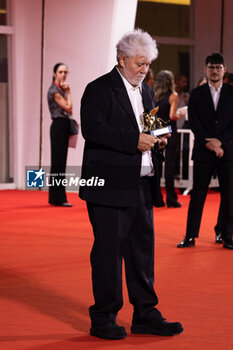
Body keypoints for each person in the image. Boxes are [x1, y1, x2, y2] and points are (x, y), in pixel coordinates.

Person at [79, 29, 183, 340]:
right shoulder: (98, 89)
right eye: (139, 63)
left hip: (141, 185)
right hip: (109, 187)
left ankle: (146, 314)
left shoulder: (147, 92)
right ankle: (104, 318)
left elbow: (152, 125)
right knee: (109, 255)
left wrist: (159, 138)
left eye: (148, 64)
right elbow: (92, 130)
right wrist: (133, 141)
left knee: (142, 254)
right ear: (122, 59)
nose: (144, 69)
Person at [177, 53, 233, 250]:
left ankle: (226, 235)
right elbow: (194, 121)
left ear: (224, 70)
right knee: (198, 195)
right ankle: (190, 236)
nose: (215, 71)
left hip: (227, 152)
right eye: (211, 67)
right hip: (203, 151)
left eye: (218, 67)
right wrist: (208, 142)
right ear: (206, 70)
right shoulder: (196, 93)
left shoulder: (232, 93)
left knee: (229, 195)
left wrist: (220, 142)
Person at [154, 70, 183, 208]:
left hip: (157, 132)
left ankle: (157, 198)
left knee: (157, 165)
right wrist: (181, 113)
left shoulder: (153, 95)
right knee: (170, 166)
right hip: (170, 132)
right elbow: (172, 116)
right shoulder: (173, 96)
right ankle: (171, 199)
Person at [47, 62, 72, 207]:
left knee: (60, 162)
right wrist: (68, 93)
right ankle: (57, 197)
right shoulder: (54, 90)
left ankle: (57, 197)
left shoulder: (60, 89)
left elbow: (70, 109)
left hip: (63, 126)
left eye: (65, 72)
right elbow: (69, 107)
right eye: (61, 72)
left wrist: (67, 92)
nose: (63, 74)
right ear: (55, 73)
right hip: (58, 126)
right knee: (57, 162)